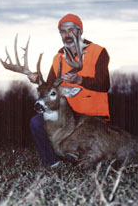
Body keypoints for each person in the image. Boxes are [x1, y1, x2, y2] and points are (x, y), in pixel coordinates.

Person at [28, 13, 110, 168]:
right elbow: (50, 87)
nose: (67, 35)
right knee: (36, 123)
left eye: (71, 30)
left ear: (80, 31)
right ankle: (52, 163)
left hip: (92, 114)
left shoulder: (98, 52)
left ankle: (77, 157)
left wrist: (80, 80)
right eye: (63, 31)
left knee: (92, 152)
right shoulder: (58, 57)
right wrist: (37, 79)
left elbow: (105, 84)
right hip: (67, 114)